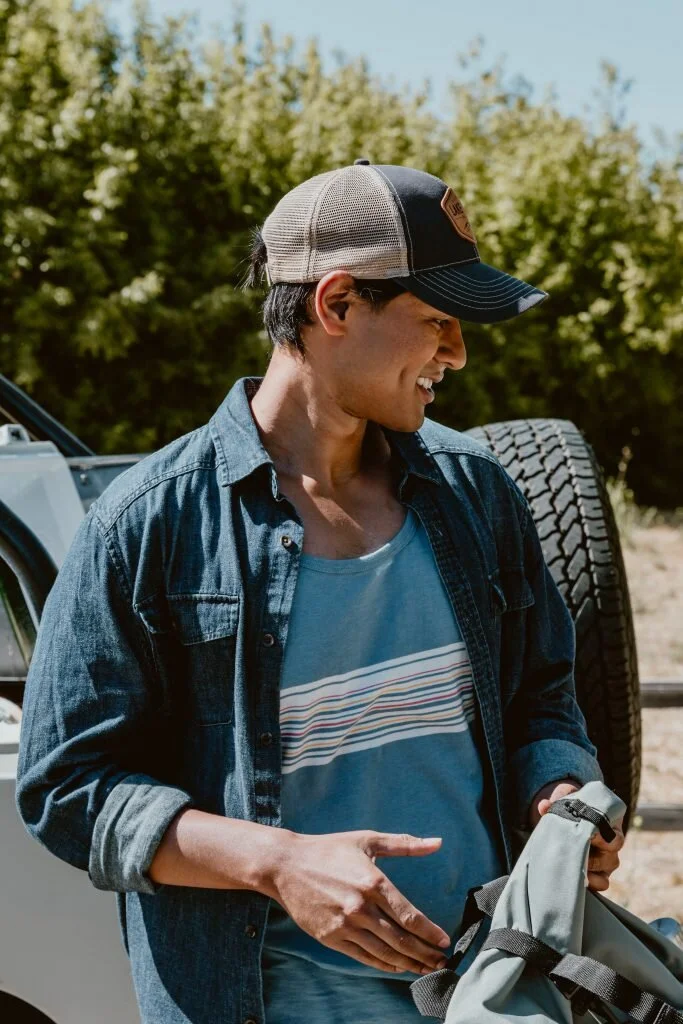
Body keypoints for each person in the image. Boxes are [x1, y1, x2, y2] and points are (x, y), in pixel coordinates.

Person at [16, 161, 624, 1024]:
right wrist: (277, 862)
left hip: (491, 987)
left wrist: (557, 795)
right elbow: (67, 789)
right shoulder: (145, 524)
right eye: (436, 321)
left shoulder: (477, 492)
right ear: (335, 305)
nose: (455, 353)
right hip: (256, 1001)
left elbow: (541, 701)